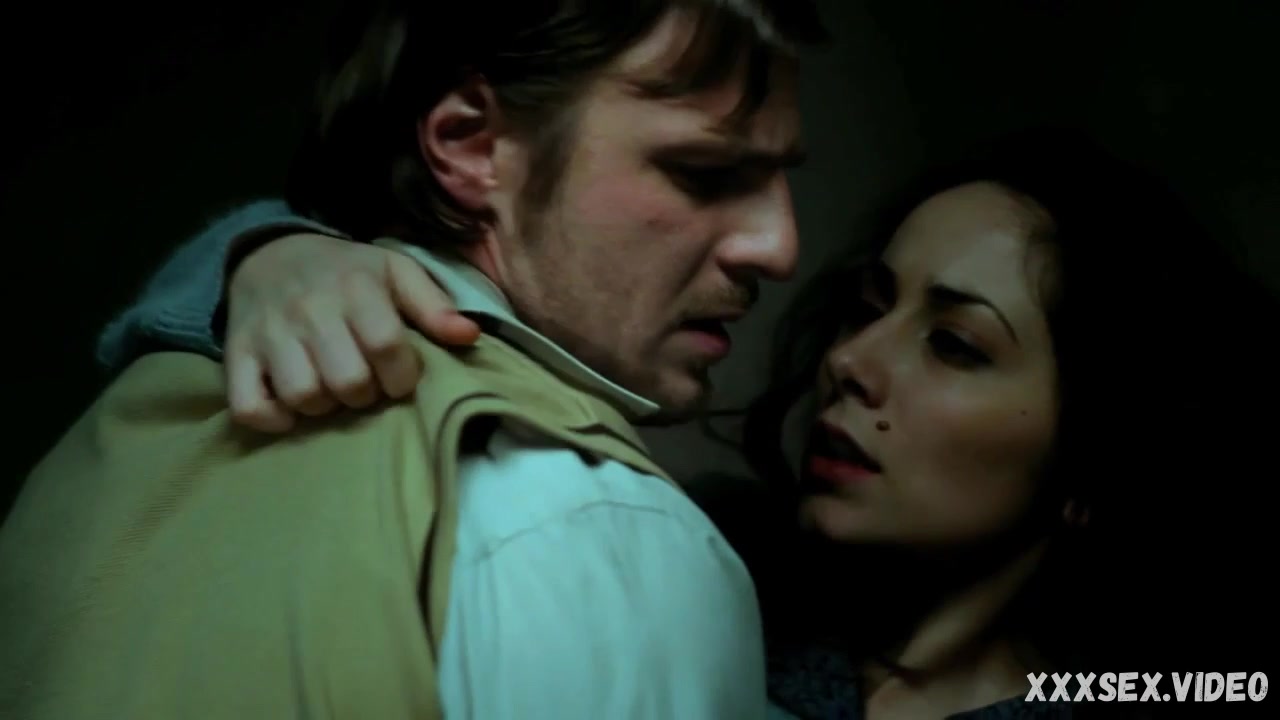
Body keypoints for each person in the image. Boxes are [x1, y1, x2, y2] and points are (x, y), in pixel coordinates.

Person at [87, 126, 1280, 718]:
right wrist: (274, 258)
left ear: (1093, 465)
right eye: (871, 306)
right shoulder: (692, 562)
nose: (851, 363)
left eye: (954, 345)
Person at [0, 2, 829, 719]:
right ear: (469, 144)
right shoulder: (603, 530)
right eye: (704, 171)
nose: (780, 247)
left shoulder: (103, 440)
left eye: (780, 179)